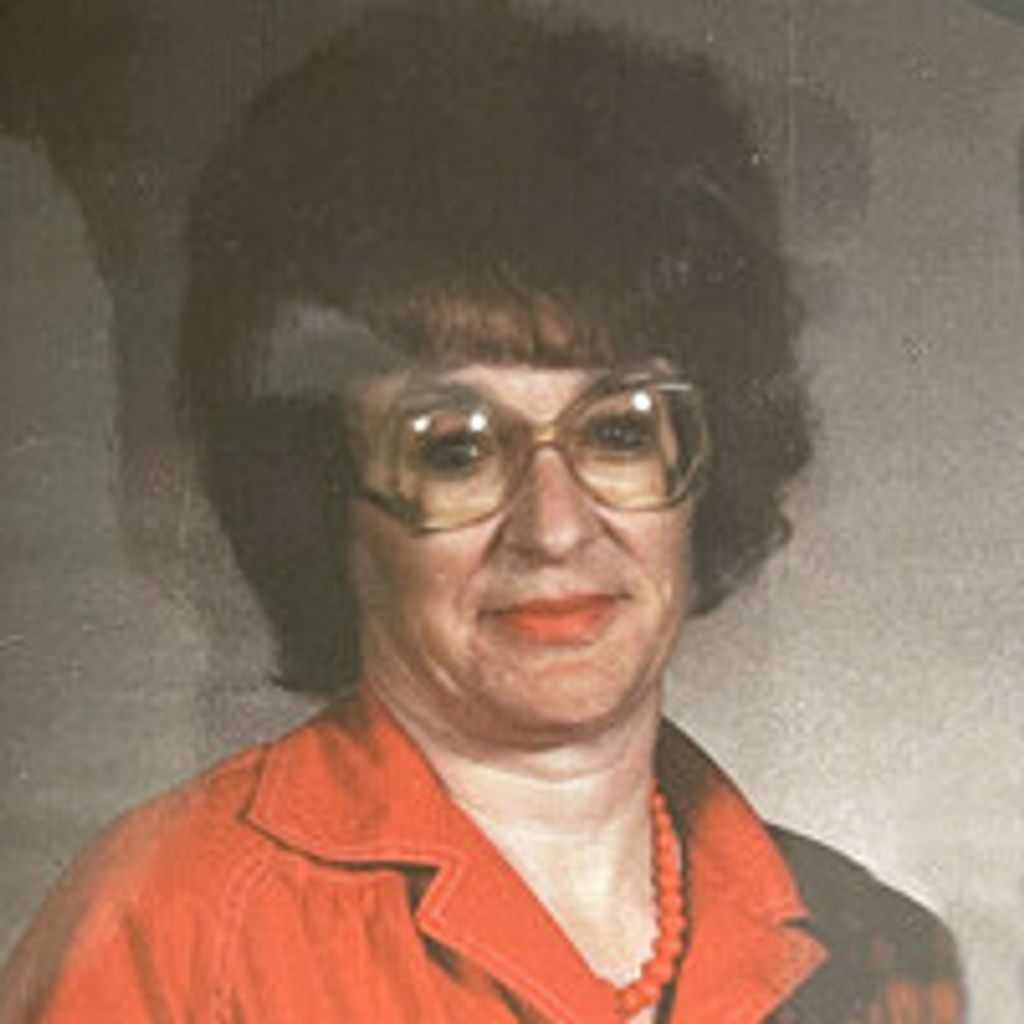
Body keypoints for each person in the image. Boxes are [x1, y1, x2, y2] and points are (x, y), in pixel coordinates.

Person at [0, 7, 964, 1022]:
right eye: (454, 447)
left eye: (620, 431)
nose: (553, 528)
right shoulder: (172, 933)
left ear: (707, 464)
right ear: (325, 495)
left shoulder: (880, 955)